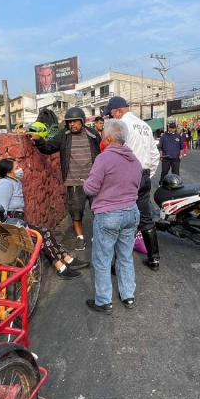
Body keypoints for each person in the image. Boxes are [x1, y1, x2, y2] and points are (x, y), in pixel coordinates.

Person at [0, 158, 90, 280]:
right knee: (41, 237)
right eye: (16, 168)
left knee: (46, 232)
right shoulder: (5, 184)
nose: (20, 169)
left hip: (18, 222)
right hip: (11, 225)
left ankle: (67, 260)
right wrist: (16, 226)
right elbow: (0, 211)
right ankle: (61, 268)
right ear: (8, 173)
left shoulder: (14, 181)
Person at [83, 119, 142, 314]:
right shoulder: (134, 159)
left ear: (108, 138)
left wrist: (85, 183)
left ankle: (103, 301)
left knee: (103, 259)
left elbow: (91, 188)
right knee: (125, 256)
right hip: (131, 212)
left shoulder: (104, 158)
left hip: (109, 214)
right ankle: (128, 296)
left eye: (102, 136)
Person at [28, 107, 101, 251]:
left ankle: (99, 235)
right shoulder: (63, 135)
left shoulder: (92, 135)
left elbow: (101, 154)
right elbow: (49, 148)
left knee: (98, 210)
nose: (72, 124)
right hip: (73, 181)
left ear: (82, 122)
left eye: (75, 121)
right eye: (70, 122)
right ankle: (80, 238)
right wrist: (39, 140)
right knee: (76, 211)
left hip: (93, 181)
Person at [103, 96, 161, 271]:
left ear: (118, 111)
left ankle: (117, 265)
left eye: (111, 114)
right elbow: (154, 155)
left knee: (119, 219)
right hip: (143, 175)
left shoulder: (121, 126)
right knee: (145, 218)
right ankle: (154, 259)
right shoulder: (144, 125)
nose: (110, 118)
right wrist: (146, 174)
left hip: (125, 176)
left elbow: (117, 153)